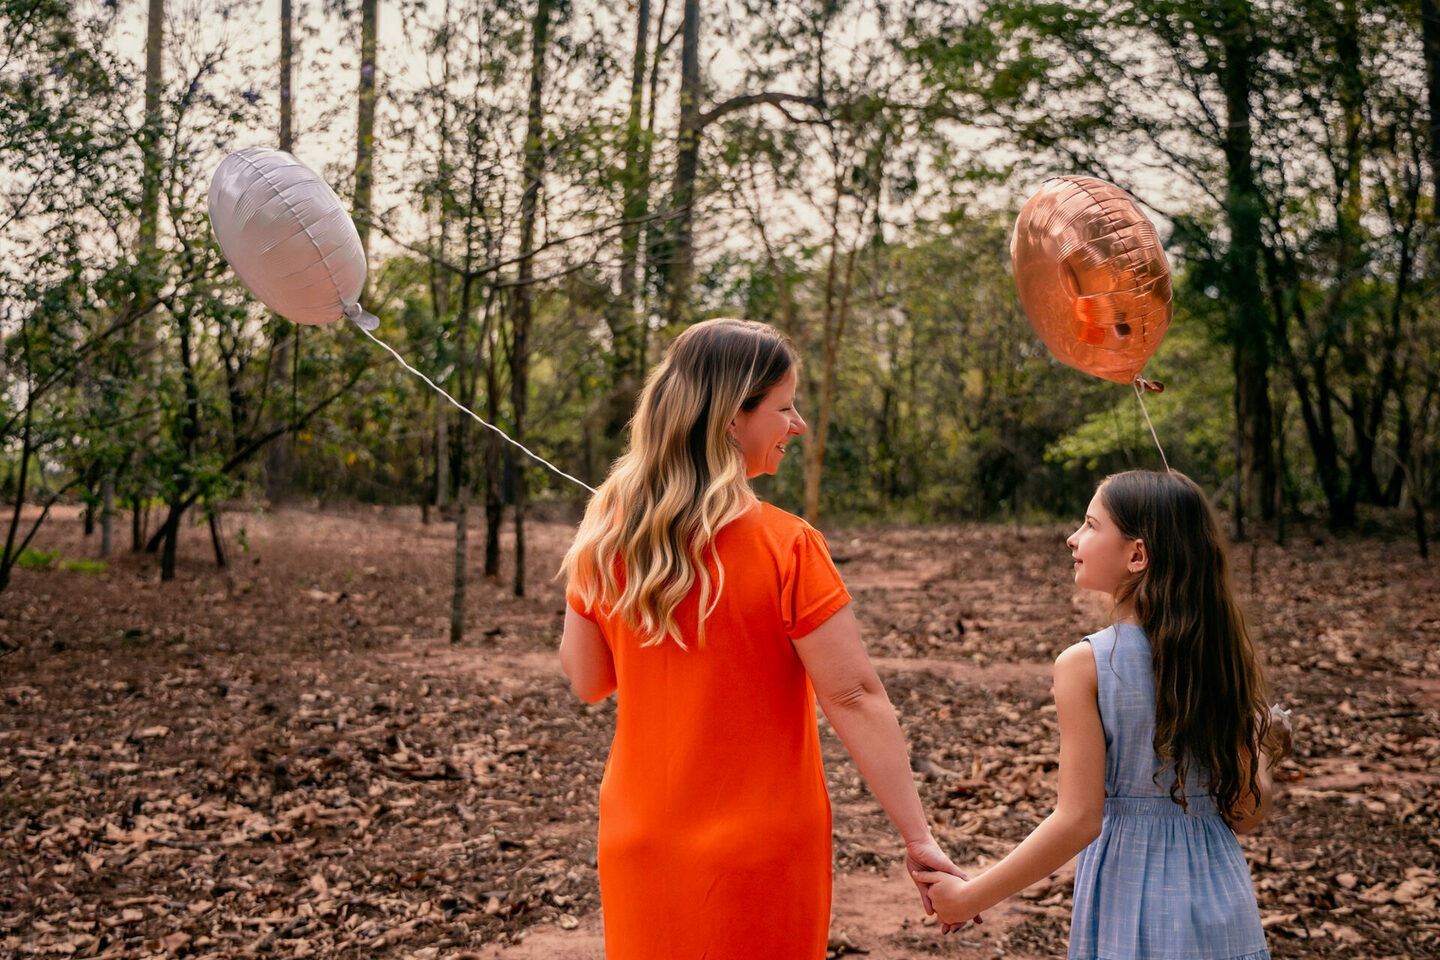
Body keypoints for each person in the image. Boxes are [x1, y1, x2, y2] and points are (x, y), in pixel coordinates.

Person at [559, 318, 962, 959]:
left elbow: (588, 680)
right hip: (760, 855)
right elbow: (854, 695)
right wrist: (918, 839)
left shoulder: (609, 539)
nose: (796, 425)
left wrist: (600, 539)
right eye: (784, 407)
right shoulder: (788, 545)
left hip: (639, 842)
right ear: (729, 420)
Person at [915, 469, 1292, 959]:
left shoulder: (1085, 664)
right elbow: (1245, 814)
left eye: (1091, 525)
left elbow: (1078, 820)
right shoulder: (1220, 655)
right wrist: (1264, 752)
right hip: (1223, 902)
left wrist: (969, 896)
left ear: (1138, 554)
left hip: (1132, 899)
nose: (1073, 537)